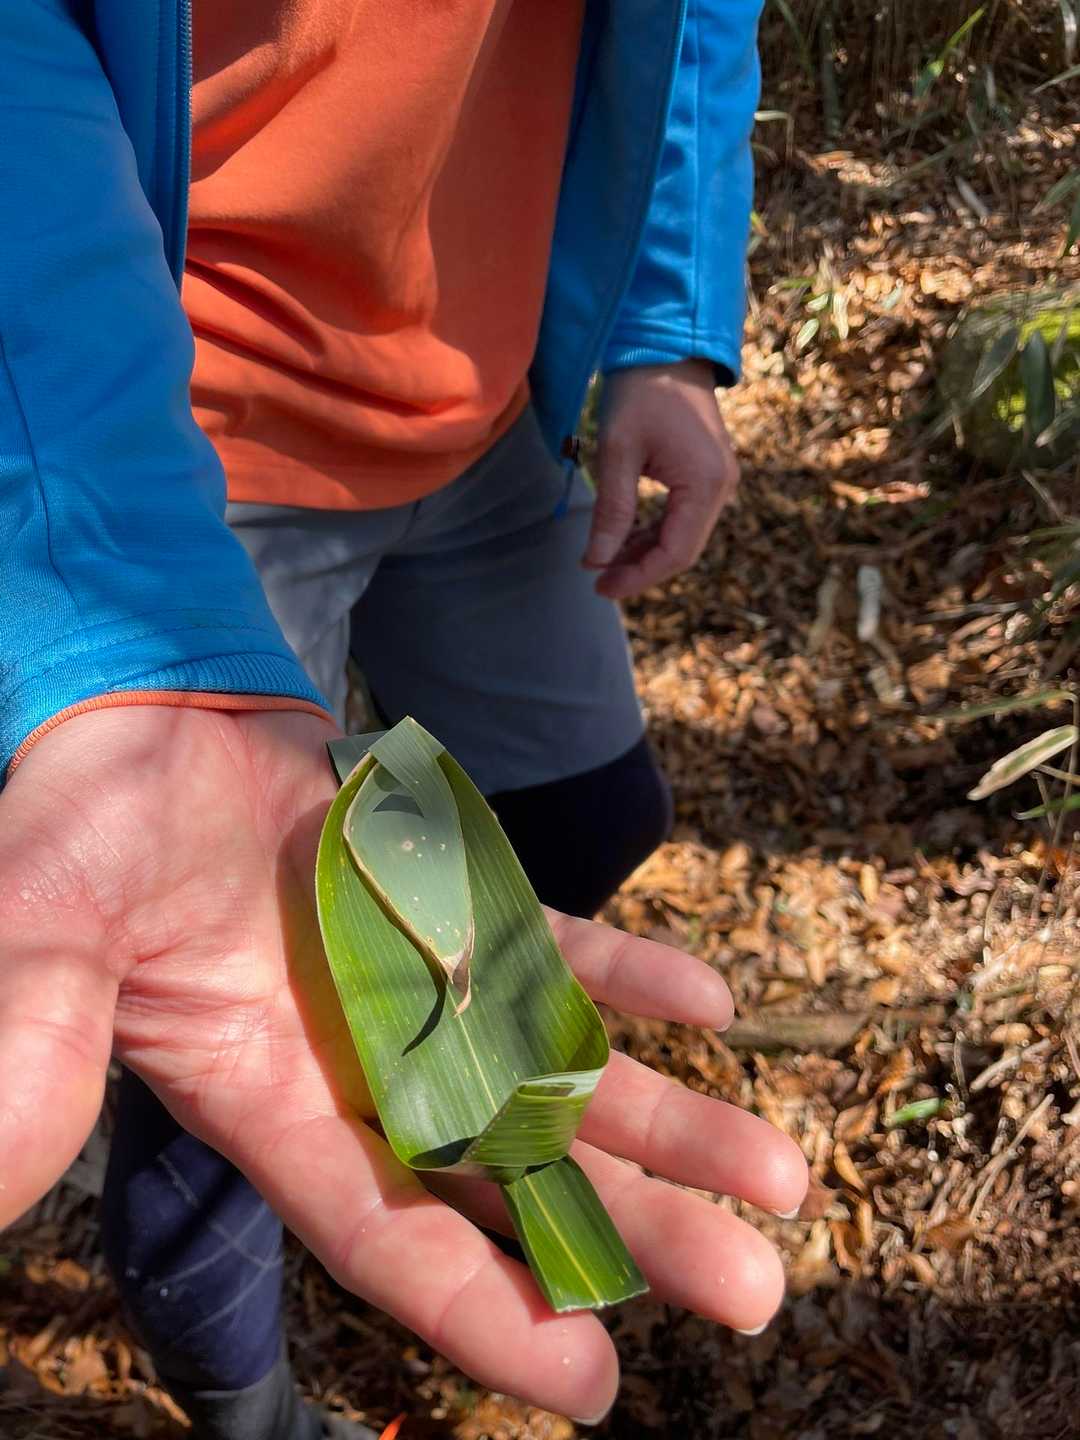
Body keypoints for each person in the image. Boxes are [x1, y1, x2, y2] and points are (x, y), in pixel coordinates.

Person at [0, 2, 806, 1437]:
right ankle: (246, 1405)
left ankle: (473, 1107)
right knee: (232, 1033)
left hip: (483, 398)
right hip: (179, 431)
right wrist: (104, 597)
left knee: (595, 805)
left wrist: (665, 327)